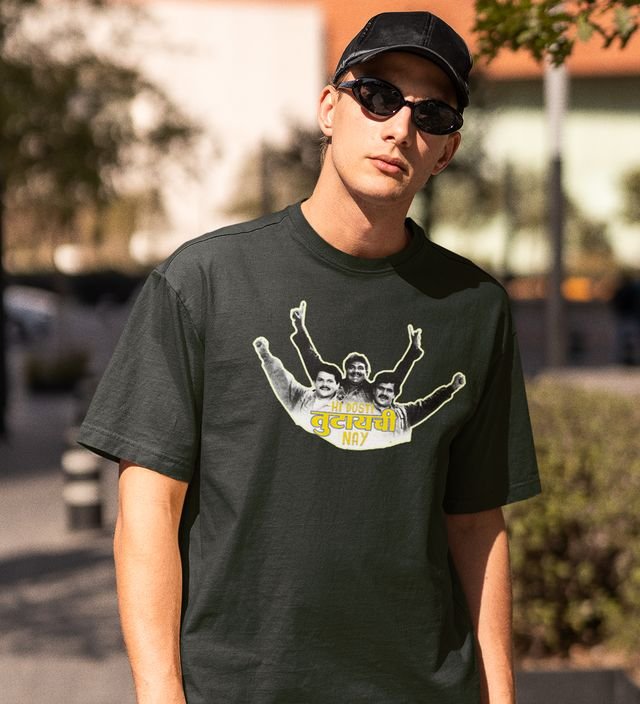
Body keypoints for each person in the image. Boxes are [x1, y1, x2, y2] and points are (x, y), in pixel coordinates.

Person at [78, 11, 541, 704]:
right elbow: (148, 506)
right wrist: (160, 692)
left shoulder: (474, 307)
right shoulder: (205, 282)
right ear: (329, 108)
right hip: (240, 687)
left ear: (446, 151)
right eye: (378, 96)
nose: (400, 128)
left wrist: (501, 695)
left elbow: (476, 523)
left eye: (432, 114)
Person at [289, 299, 424, 403]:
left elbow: (397, 377)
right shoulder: (334, 385)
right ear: (346, 370)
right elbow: (312, 361)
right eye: (352, 367)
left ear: (367, 372)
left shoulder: (374, 391)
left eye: (360, 368)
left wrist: (413, 351)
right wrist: (300, 328)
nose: (356, 371)